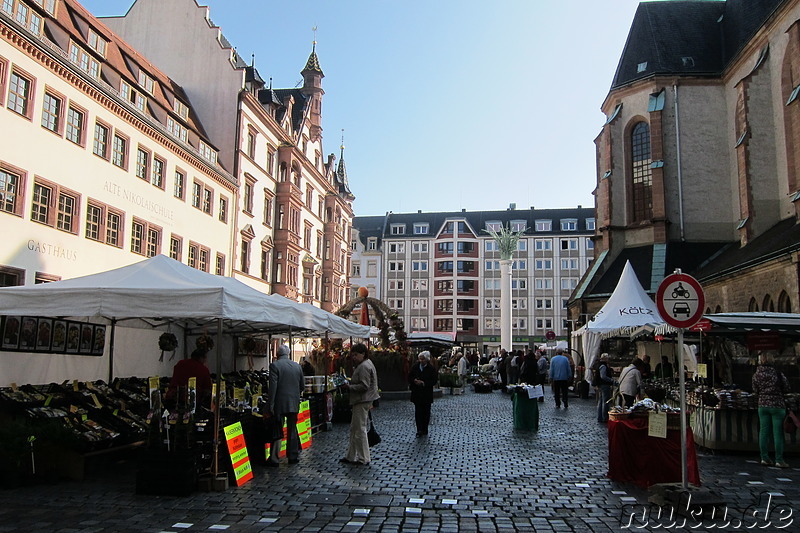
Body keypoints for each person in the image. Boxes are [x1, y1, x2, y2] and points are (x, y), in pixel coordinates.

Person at [340, 343, 379, 465]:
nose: (354, 358)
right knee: (354, 428)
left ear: (363, 354)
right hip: (364, 399)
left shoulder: (363, 367)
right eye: (353, 355)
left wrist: (349, 386)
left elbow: (364, 386)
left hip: (362, 400)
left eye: (356, 355)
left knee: (359, 429)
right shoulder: (367, 364)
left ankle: (363, 458)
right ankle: (351, 456)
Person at [267, 345, 305, 466]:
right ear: (288, 354)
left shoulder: (275, 366)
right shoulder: (297, 366)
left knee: (277, 429)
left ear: (277, 355)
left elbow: (273, 388)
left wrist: (270, 404)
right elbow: (302, 386)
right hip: (293, 403)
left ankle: (274, 458)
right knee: (292, 429)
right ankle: (292, 456)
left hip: (280, 403)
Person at [752, 352, 790, 468]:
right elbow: (787, 387)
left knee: (763, 432)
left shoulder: (756, 375)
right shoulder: (778, 374)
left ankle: (764, 458)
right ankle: (779, 459)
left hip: (762, 405)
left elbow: (755, 390)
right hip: (778, 405)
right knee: (778, 433)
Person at [408, 350, 437, 437]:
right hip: (417, 393)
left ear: (427, 360)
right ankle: (419, 429)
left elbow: (434, 380)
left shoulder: (431, 369)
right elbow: (409, 376)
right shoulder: (415, 367)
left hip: (426, 394)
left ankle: (425, 428)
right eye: (420, 359)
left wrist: (424, 383)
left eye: (423, 359)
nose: (421, 361)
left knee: (426, 412)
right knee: (418, 412)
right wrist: (414, 381)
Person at [594, 353, 615, 423]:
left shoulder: (599, 364)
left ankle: (600, 417)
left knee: (601, 401)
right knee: (605, 401)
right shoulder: (603, 366)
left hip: (600, 384)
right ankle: (604, 417)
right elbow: (603, 376)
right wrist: (611, 380)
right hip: (604, 384)